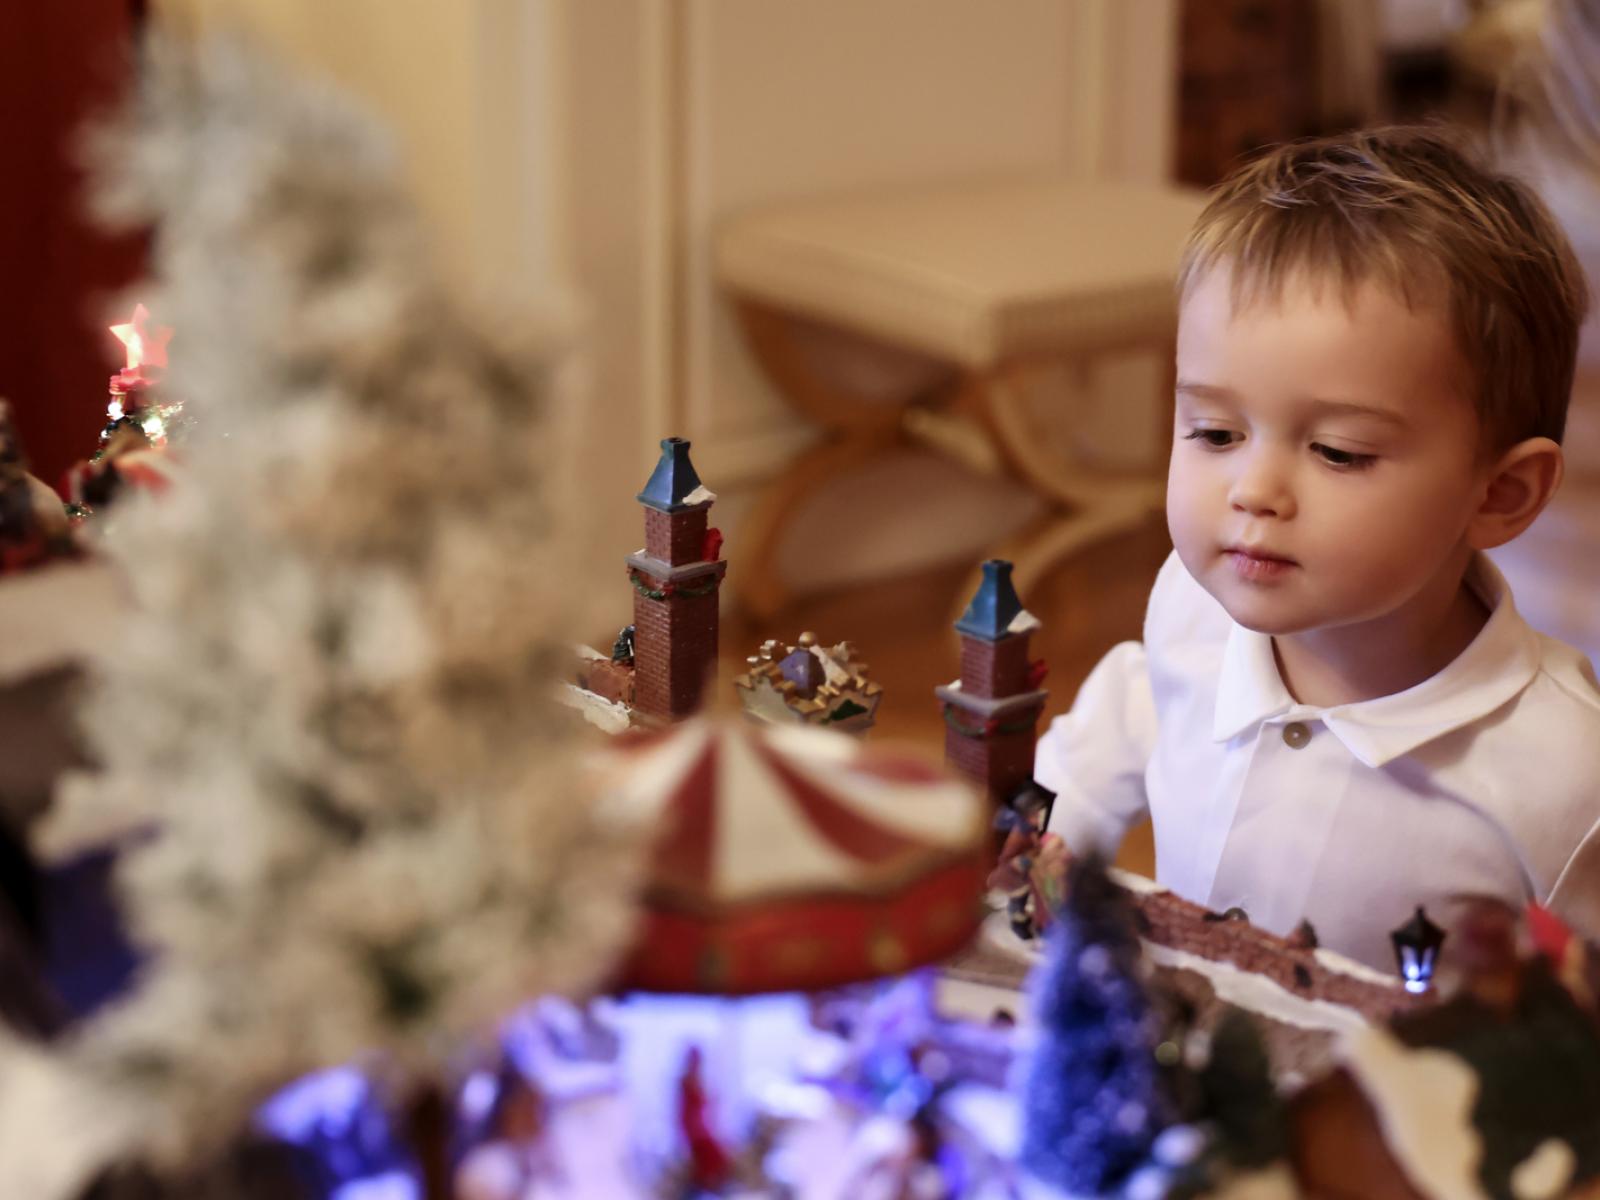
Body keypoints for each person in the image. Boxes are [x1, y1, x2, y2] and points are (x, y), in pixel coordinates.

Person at [1036, 126, 1600, 971]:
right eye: (1215, 432)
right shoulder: (1194, 609)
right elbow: (1135, 703)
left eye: (1338, 451)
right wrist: (1051, 834)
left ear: (1499, 494)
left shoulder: (1564, 772)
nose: (1253, 491)